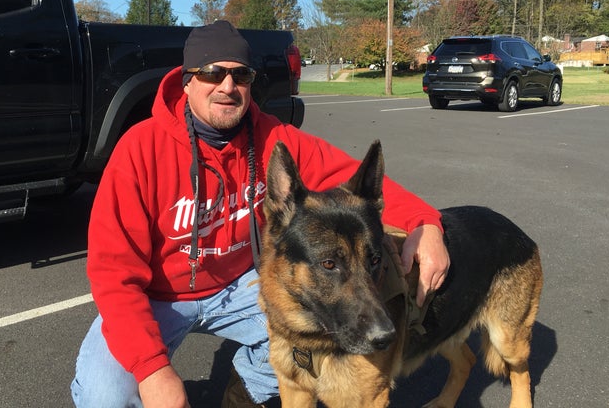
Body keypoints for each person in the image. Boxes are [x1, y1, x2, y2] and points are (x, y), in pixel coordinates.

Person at [71, 21, 450, 408]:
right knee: (105, 397)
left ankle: (242, 395)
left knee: (307, 342)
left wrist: (424, 222)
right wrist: (153, 371)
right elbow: (113, 274)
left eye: (241, 75)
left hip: (241, 287)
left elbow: (350, 179)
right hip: (159, 296)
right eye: (212, 73)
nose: (227, 86)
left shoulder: (274, 139)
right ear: (186, 81)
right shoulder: (140, 150)